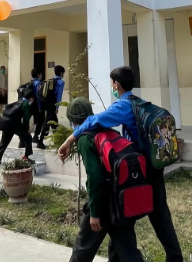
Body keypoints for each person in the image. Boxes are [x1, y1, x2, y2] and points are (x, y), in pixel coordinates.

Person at [58, 66, 183, 262]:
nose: (111, 87)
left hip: (140, 170)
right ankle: (175, 258)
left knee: (138, 220)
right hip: (154, 165)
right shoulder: (141, 103)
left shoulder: (123, 106)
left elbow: (93, 121)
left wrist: (69, 140)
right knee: (157, 217)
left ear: (116, 85)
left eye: (111, 84)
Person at [66, 98, 143, 262]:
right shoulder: (109, 131)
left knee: (83, 249)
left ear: (73, 122)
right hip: (122, 198)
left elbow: (95, 178)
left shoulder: (85, 139)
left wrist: (95, 213)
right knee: (126, 250)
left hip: (103, 203)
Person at [0, 88, 35, 183]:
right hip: (13, 125)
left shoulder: (17, 102)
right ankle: (26, 157)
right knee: (28, 138)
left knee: (2, 146)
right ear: (31, 98)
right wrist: (26, 130)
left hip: (6, 124)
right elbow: (26, 119)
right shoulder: (26, 105)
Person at [36, 64, 66, 149]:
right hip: (52, 104)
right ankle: (40, 141)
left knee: (54, 122)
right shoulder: (61, 82)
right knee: (48, 122)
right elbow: (59, 96)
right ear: (61, 73)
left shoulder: (50, 81)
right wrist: (57, 107)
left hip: (46, 103)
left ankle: (57, 140)